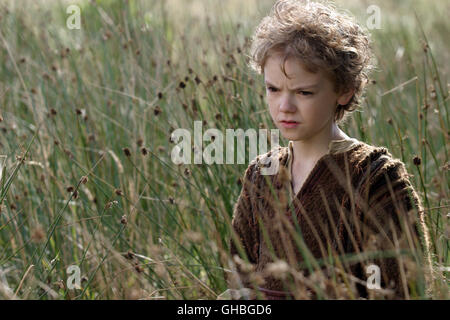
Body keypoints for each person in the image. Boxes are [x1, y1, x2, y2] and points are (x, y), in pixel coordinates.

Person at [226, 0, 432, 300]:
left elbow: (403, 290)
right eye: (273, 89)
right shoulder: (260, 176)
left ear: (344, 90)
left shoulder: (377, 180)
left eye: (304, 92)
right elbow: (238, 284)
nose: (285, 106)